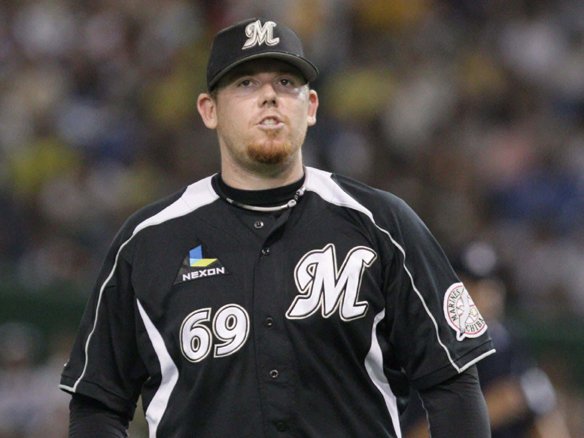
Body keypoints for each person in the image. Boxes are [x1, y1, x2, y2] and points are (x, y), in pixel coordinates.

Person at [60, 17, 495, 437]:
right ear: (209, 110)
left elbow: (452, 379)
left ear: (311, 107)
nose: (269, 96)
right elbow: (97, 404)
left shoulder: (382, 223)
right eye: (246, 83)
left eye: (286, 82)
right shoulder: (149, 241)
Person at [400, 241, 572, 438]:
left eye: (491, 285)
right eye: (471, 285)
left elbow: (541, 415)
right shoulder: (428, 345)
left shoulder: (508, 342)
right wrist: (488, 409)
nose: (485, 294)